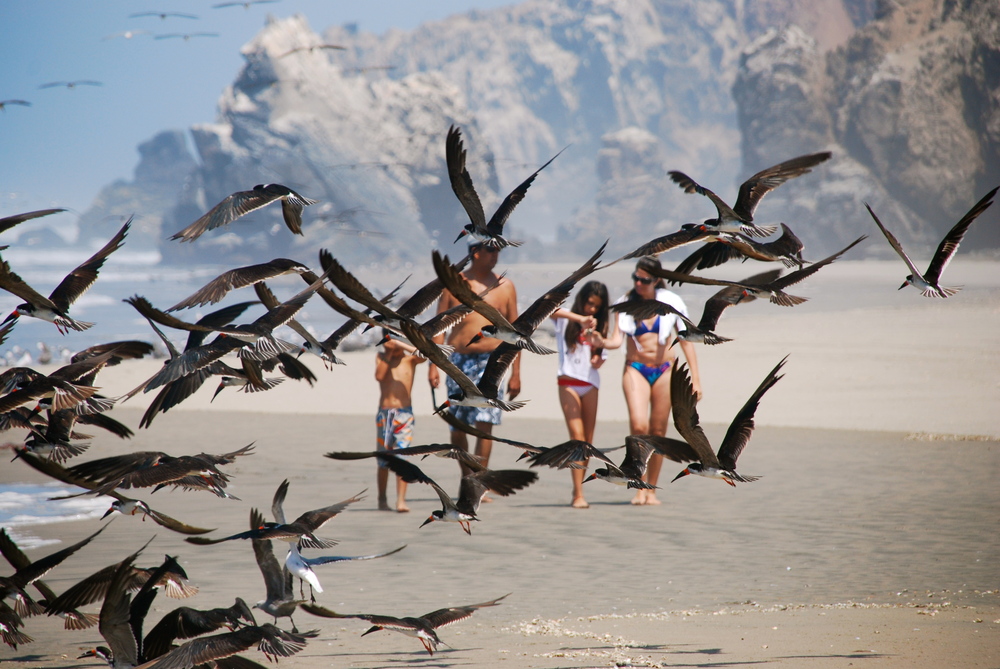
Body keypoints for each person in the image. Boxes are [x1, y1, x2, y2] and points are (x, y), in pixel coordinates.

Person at [595, 256, 702, 505]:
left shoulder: (671, 302)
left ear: (656, 280)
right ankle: (638, 485)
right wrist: (600, 342)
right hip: (635, 368)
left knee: (658, 431)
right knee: (638, 427)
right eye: (636, 278)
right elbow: (615, 340)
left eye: (645, 280)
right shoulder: (624, 303)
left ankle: (651, 489)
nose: (639, 284)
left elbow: (685, 338)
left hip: (665, 369)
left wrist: (696, 378)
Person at [427, 242, 520, 472]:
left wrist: (516, 374)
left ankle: (480, 479)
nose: (495, 255)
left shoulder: (505, 286)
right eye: (491, 250)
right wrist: (433, 365)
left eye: (498, 250)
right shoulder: (454, 284)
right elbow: (438, 328)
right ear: (475, 253)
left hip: (493, 362)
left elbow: (516, 334)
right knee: (457, 426)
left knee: (485, 423)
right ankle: (467, 474)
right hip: (458, 361)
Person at [550, 280, 610, 509]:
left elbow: (600, 358)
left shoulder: (599, 325)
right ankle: (577, 493)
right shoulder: (566, 321)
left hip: (591, 384)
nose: (591, 309)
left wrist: (598, 357)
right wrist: (579, 319)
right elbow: (551, 309)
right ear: (582, 300)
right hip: (568, 382)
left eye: (596, 306)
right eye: (589, 303)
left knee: (587, 442)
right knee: (576, 436)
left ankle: (580, 488)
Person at [375, 333, 426, 512]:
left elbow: (425, 355)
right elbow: (380, 376)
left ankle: (401, 500)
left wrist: (402, 345)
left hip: (405, 414)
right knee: (384, 459)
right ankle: (382, 499)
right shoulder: (381, 357)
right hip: (385, 414)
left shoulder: (410, 359)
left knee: (402, 457)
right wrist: (389, 353)